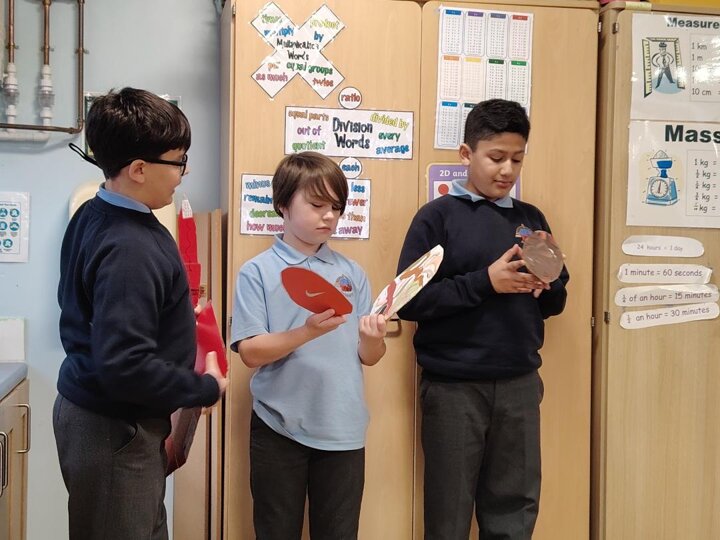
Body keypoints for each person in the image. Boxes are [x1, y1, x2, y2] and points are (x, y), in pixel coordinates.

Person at [54, 87, 227, 540]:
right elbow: (125, 364)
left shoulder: (96, 212)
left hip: (99, 415)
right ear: (138, 169)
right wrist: (204, 387)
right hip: (114, 430)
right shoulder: (130, 245)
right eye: (179, 161)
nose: (184, 172)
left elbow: (98, 311)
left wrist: (172, 315)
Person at [397, 99, 569, 540]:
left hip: (519, 383)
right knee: (449, 511)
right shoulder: (436, 218)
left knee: (515, 509)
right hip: (453, 387)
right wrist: (486, 282)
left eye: (517, 159)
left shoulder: (531, 219)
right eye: (496, 157)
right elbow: (409, 302)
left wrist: (548, 284)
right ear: (466, 153)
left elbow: (555, 302)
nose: (507, 170)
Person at [230, 151, 387, 539]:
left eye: (336, 207)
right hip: (278, 427)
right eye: (317, 205)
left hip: (343, 428)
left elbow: (369, 357)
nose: (329, 216)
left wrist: (373, 340)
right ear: (283, 204)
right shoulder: (257, 272)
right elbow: (250, 352)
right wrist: (307, 332)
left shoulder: (352, 273)